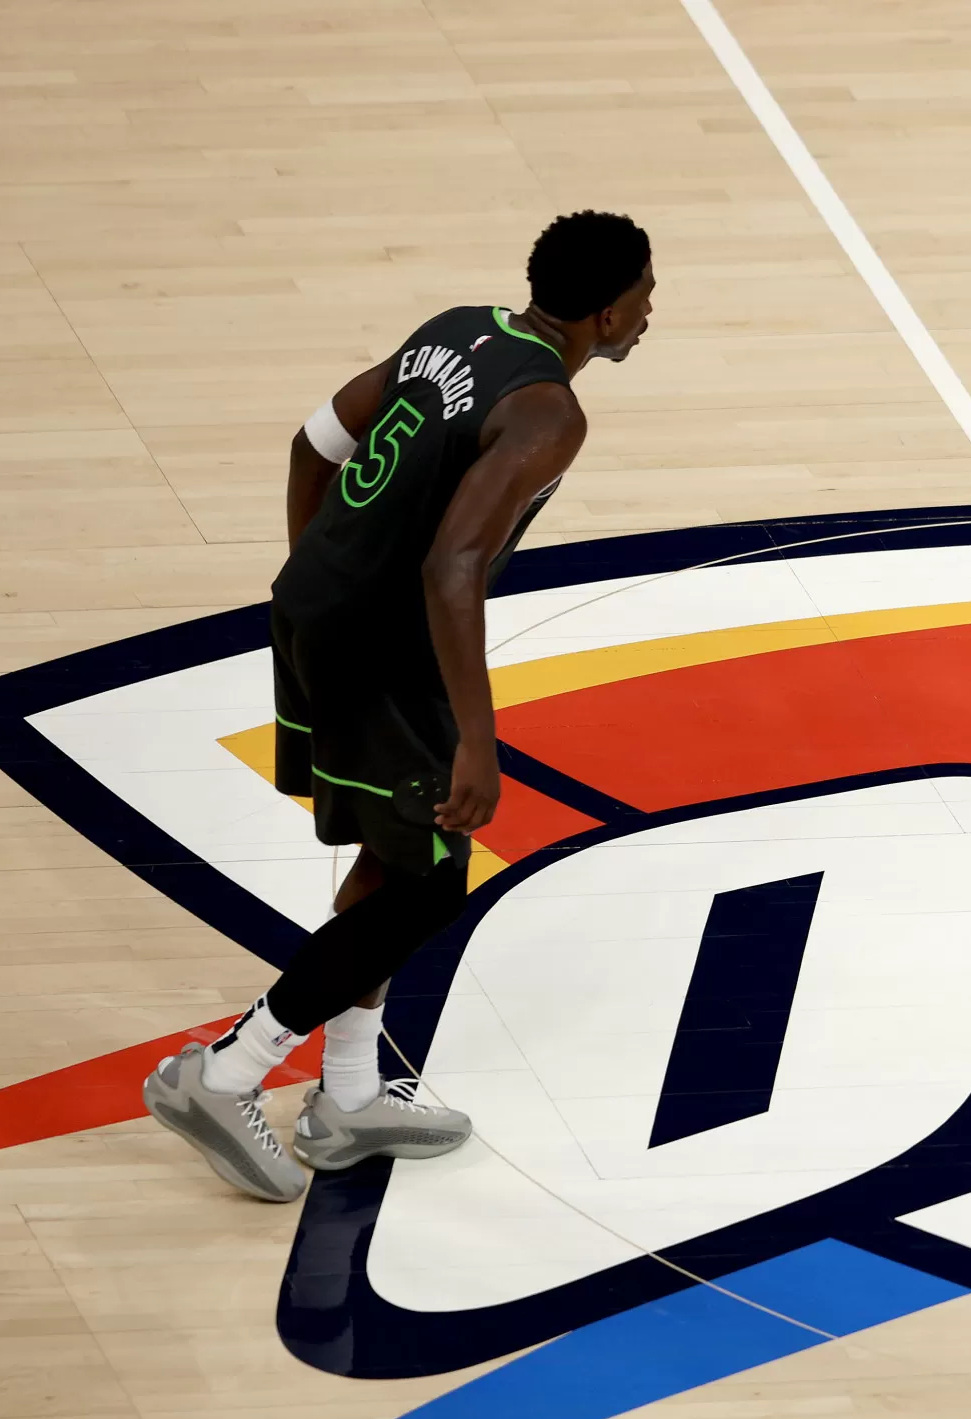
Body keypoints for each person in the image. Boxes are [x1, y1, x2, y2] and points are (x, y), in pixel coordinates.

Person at [142, 211, 657, 1200]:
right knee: (428, 885)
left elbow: (313, 442)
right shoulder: (548, 414)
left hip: (315, 608)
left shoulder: (458, 328)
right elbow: (452, 565)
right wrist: (477, 739)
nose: (648, 310)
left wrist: (322, 567)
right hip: (384, 648)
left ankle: (347, 1097)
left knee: (395, 857)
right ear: (606, 312)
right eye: (644, 293)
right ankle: (229, 1072)